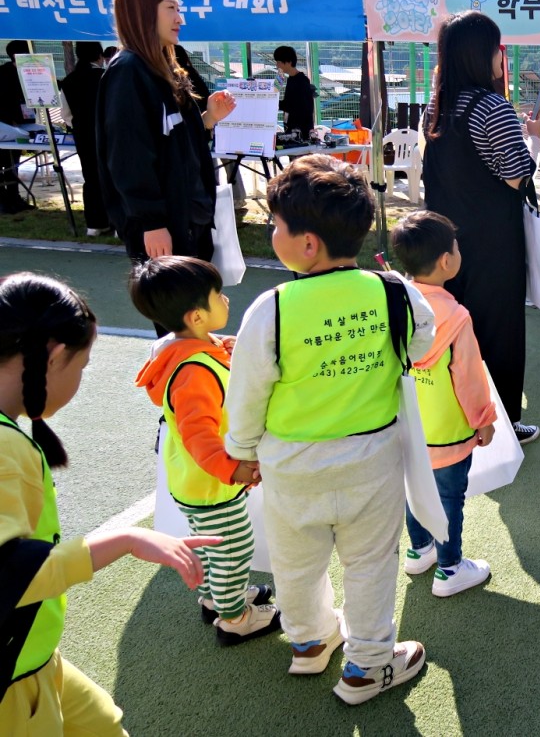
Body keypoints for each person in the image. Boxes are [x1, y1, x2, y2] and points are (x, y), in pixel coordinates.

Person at [223, 155, 436, 705]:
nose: (272, 233)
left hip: (291, 466)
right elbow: (421, 344)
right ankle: (367, 665)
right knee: (370, 564)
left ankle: (309, 643)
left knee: (297, 563)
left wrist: (241, 452)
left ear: (308, 243)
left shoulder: (271, 308)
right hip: (372, 459)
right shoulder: (394, 292)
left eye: (275, 225)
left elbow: (246, 395)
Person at [0, 272, 217, 735]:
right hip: (12, 681)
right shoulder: (4, 449)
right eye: (82, 366)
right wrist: (124, 539)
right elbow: (8, 574)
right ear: (55, 354)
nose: (80, 379)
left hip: (35, 657)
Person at [128, 256, 280, 645]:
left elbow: (214, 355)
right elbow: (199, 436)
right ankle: (235, 618)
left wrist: (226, 347)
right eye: (219, 295)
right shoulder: (194, 371)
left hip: (193, 481)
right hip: (210, 484)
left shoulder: (188, 347)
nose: (227, 301)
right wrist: (234, 469)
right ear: (196, 316)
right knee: (233, 547)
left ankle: (216, 597)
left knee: (216, 545)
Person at [420, 11, 540, 444]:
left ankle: (456, 416)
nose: (500, 57)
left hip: (443, 242)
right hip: (492, 242)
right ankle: (503, 424)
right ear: (481, 54)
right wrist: (533, 138)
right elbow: (516, 175)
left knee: (453, 329)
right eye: (496, 48)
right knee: (498, 331)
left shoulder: (435, 106)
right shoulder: (492, 106)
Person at [96, 0, 237, 268]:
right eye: (171, 8)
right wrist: (151, 222)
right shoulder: (128, 72)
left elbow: (174, 141)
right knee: (178, 311)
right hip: (164, 227)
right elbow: (128, 155)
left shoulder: (163, 67)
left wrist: (208, 119)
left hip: (189, 217)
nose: (180, 19)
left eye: (179, 8)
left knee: (201, 309)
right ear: (143, 12)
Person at [391, 210, 497, 595]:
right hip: (448, 431)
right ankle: (450, 568)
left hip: (404, 428)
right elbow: (469, 378)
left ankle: (420, 551)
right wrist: (483, 419)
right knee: (450, 497)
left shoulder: (393, 305)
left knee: (412, 488)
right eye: (456, 246)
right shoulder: (456, 316)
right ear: (445, 260)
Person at [58, 42, 110, 235]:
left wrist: (78, 126)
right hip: (109, 135)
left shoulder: (69, 80)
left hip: (83, 135)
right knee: (112, 178)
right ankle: (115, 224)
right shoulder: (106, 77)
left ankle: (94, 225)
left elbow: (66, 114)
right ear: (99, 55)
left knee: (91, 178)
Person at [0, 40, 34, 214]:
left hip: (22, 125)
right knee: (4, 163)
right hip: (5, 126)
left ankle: (14, 197)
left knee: (14, 164)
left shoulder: (28, 72)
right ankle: (4, 201)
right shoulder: (4, 73)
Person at [273, 45, 315, 138]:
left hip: (301, 132)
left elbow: (297, 107)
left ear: (289, 62)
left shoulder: (301, 81)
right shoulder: (291, 79)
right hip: (291, 129)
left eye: (279, 62)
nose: (277, 65)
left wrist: (273, 102)